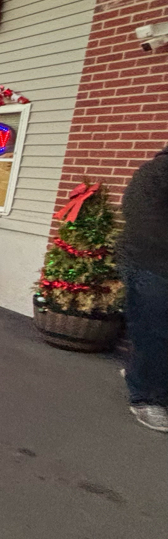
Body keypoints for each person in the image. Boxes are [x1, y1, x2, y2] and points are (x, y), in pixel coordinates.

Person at [120, 144, 168, 432]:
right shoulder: (156, 173)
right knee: (154, 332)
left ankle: (143, 377)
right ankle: (146, 399)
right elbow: (141, 219)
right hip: (149, 265)